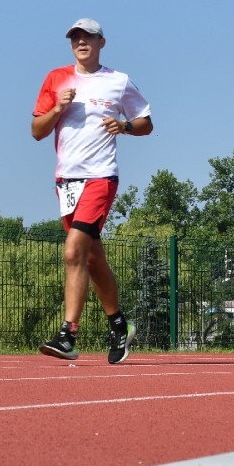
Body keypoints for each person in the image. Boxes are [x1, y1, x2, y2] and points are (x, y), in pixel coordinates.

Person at [31, 18, 153, 363]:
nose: (81, 43)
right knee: (92, 258)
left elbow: (146, 123)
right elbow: (37, 131)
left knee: (73, 251)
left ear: (102, 42)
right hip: (66, 181)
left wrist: (124, 125)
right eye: (76, 38)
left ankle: (68, 334)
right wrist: (58, 108)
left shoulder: (118, 81)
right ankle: (119, 325)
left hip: (101, 177)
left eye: (88, 37)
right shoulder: (57, 79)